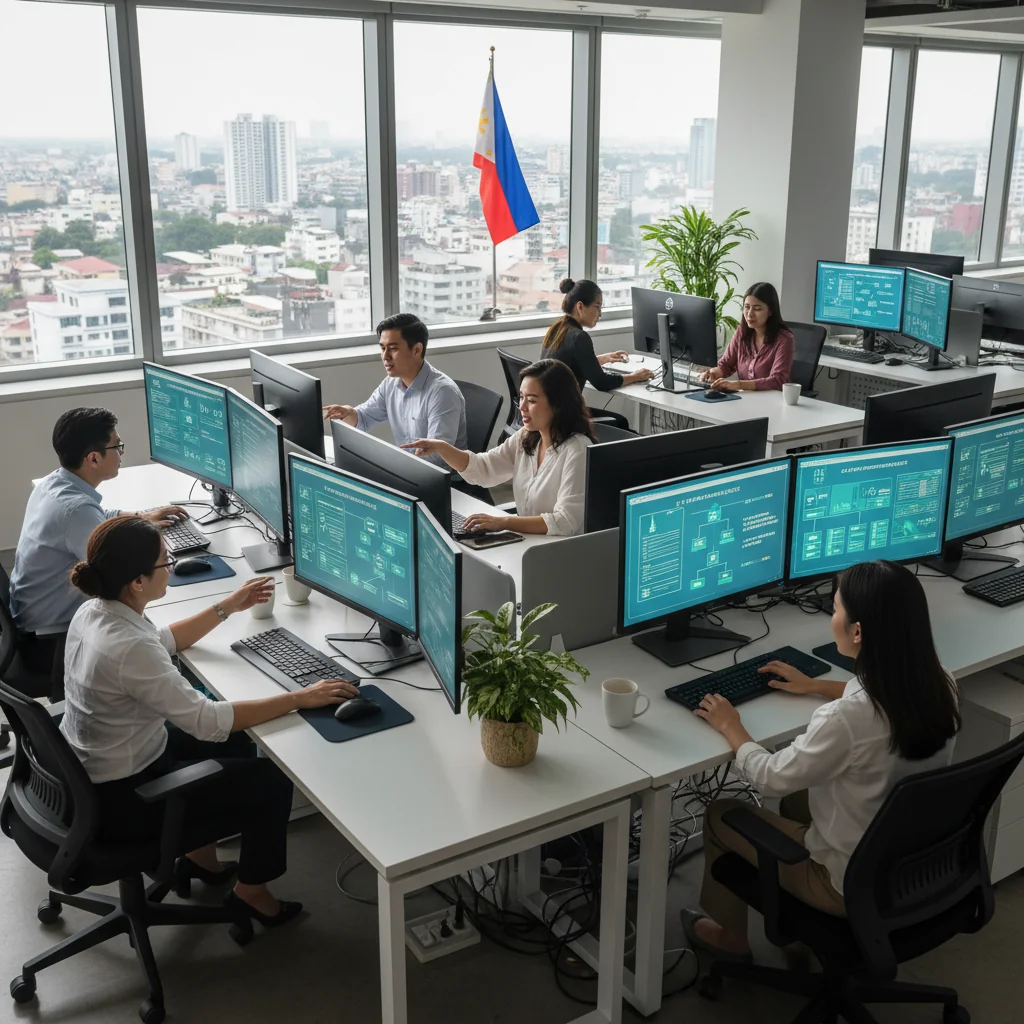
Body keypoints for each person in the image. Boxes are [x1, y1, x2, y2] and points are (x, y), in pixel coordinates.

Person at [60, 515, 360, 928]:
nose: (170, 567)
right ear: (138, 582)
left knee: (235, 744)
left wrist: (228, 606)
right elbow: (208, 720)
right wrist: (300, 697)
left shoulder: (96, 612)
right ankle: (251, 894)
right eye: (165, 563)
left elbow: (164, 641)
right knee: (271, 780)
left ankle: (202, 860)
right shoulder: (127, 645)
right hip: (126, 799)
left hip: (100, 767)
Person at [683, 560, 960, 960]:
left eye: (835, 609)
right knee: (801, 802)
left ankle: (732, 939)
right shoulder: (941, 680)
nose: (832, 618)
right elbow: (877, 702)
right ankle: (801, 939)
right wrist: (815, 685)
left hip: (844, 885)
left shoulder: (847, 719)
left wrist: (731, 726)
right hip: (911, 866)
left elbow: (770, 777)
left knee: (722, 813)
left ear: (858, 631)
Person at [9, 407, 188, 695]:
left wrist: (140, 517)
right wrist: (166, 561)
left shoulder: (54, 483)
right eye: (117, 446)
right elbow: (121, 575)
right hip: (52, 643)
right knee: (164, 638)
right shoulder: (75, 511)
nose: (122, 452)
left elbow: (99, 515)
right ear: (93, 457)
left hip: (29, 622)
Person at [401, 359, 593, 537]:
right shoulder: (526, 437)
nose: (522, 407)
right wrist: (442, 448)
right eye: (522, 398)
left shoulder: (578, 450)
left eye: (532, 400)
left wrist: (504, 522)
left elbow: (565, 522)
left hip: (561, 551)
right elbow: (484, 469)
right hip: (530, 542)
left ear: (558, 405)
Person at [322, 312, 467, 470]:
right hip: (408, 471)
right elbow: (363, 419)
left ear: (417, 350)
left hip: (444, 482)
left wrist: (387, 465)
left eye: (393, 349)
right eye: (383, 348)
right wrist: (348, 413)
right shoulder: (391, 384)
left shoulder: (442, 393)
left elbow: (436, 459)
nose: (385, 356)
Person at [541, 278, 653, 428]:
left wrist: (602, 359)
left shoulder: (557, 328)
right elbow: (602, 383)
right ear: (580, 306)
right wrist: (634, 377)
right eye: (597, 307)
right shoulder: (579, 337)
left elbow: (569, 363)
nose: (600, 314)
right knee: (620, 423)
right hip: (565, 418)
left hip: (550, 413)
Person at [700, 283, 795, 392]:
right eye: (747, 307)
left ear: (770, 311)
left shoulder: (785, 339)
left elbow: (778, 380)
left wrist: (739, 385)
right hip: (745, 399)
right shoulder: (742, 331)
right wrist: (713, 373)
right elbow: (726, 364)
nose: (749, 314)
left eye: (757, 309)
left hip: (771, 402)